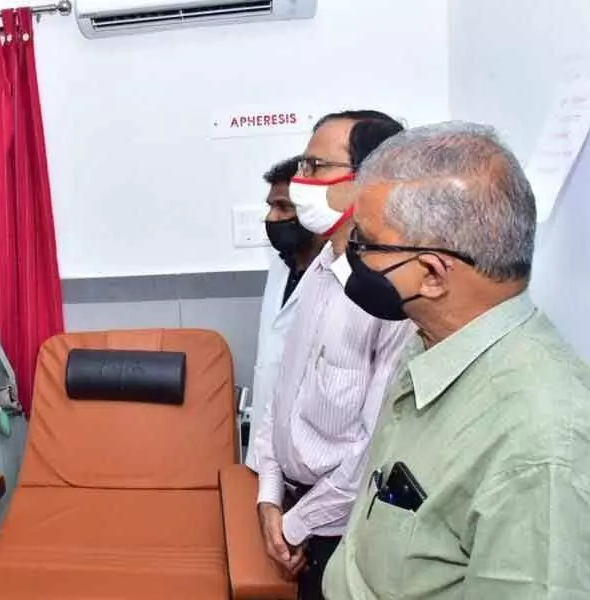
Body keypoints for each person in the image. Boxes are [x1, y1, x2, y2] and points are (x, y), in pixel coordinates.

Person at [323, 121, 590, 598]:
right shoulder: (430, 341)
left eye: (364, 243)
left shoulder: (540, 444)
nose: (350, 255)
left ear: (430, 273)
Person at [252, 110, 414, 600]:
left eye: (315, 167)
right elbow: (282, 398)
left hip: (345, 529)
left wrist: (297, 526)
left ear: (372, 180)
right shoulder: (320, 270)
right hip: (293, 512)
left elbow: (373, 451)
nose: (301, 182)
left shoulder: (395, 299)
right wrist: (268, 500)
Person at [244, 156, 324, 465]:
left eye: (283, 207)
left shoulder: (340, 275)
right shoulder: (279, 265)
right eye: (270, 206)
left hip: (312, 454)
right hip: (266, 443)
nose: (271, 218)